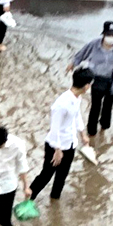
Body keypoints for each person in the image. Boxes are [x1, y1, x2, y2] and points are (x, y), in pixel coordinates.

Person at [28, 69, 93, 205]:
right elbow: (54, 128)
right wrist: (58, 150)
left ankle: (55, 199)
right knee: (46, 175)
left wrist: (82, 133)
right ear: (86, 86)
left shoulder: (77, 98)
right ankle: (28, 199)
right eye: (90, 84)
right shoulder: (61, 104)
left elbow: (77, 115)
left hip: (70, 143)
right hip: (56, 145)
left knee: (62, 175)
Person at [70, 20, 113, 139]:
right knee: (95, 106)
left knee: (107, 107)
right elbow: (80, 55)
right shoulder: (94, 45)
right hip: (96, 80)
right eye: (109, 35)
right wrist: (72, 65)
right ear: (103, 35)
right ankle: (91, 133)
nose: (111, 38)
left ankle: (104, 128)